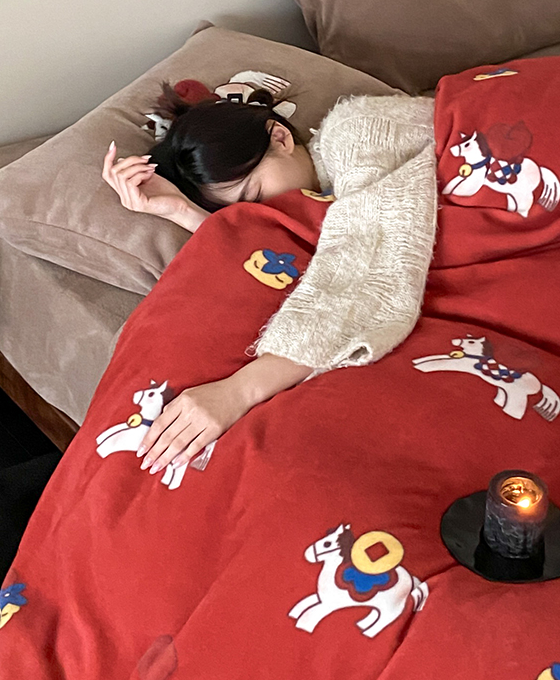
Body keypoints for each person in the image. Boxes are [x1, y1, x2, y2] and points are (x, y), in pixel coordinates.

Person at [102, 83, 436, 479]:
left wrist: (238, 391)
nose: (269, 210)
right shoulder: (314, 191)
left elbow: (367, 275)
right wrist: (180, 210)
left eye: (256, 193)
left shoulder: (358, 131)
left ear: (280, 137)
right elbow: (269, 241)